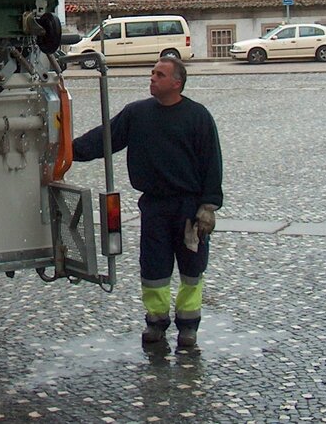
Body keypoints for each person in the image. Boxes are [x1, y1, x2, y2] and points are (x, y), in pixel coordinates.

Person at [73, 57, 222, 349]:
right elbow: (104, 139)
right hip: (154, 207)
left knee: (192, 269)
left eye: (160, 74)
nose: (152, 78)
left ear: (176, 83)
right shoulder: (137, 114)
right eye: (152, 73)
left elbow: (212, 163)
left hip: (189, 209)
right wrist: (66, 150)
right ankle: (156, 322)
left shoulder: (198, 116)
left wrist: (209, 206)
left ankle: (188, 327)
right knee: (154, 269)